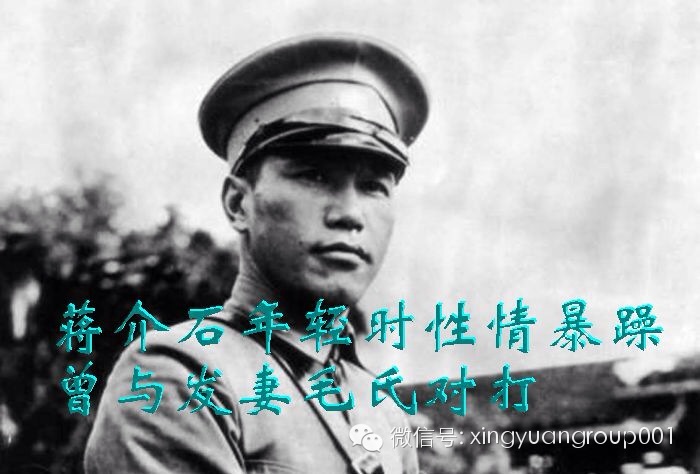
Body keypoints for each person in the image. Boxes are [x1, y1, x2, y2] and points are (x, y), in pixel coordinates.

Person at [84, 34, 429, 474]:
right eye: (314, 176)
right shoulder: (179, 377)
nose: (349, 214)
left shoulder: (381, 409)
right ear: (238, 204)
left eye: (373, 187)